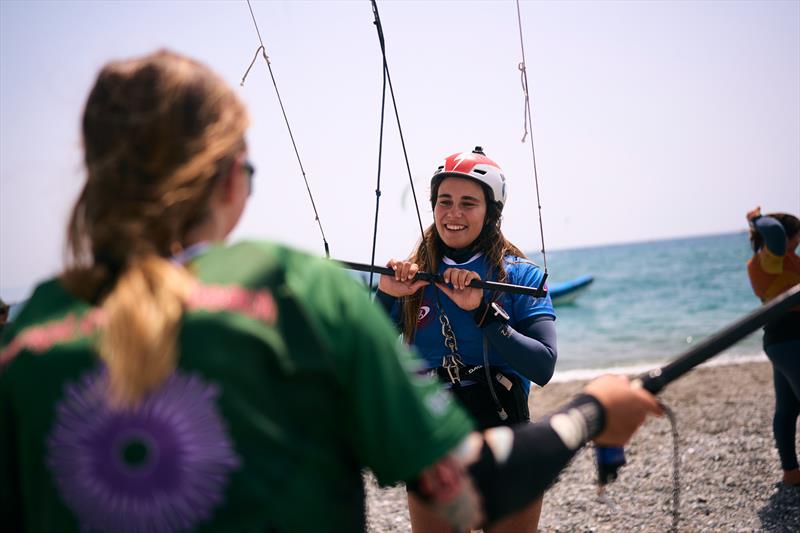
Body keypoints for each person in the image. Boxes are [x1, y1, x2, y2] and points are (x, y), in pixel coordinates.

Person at [0, 50, 661, 532]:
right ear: (230, 178)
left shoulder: (24, 334)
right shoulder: (303, 293)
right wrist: (593, 411)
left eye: (468, 201)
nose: (454, 213)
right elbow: (458, 480)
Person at [376, 147, 556, 532]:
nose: (453, 213)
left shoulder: (521, 276)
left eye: (468, 203)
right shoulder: (412, 278)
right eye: (445, 201)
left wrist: (484, 312)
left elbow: (543, 366)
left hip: (506, 434)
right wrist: (386, 296)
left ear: (491, 212)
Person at [746, 206, 800, 487]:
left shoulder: (786, 259)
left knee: (788, 407)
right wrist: (756, 219)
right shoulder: (771, 259)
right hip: (789, 340)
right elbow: (776, 235)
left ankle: (791, 472)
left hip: (784, 342)